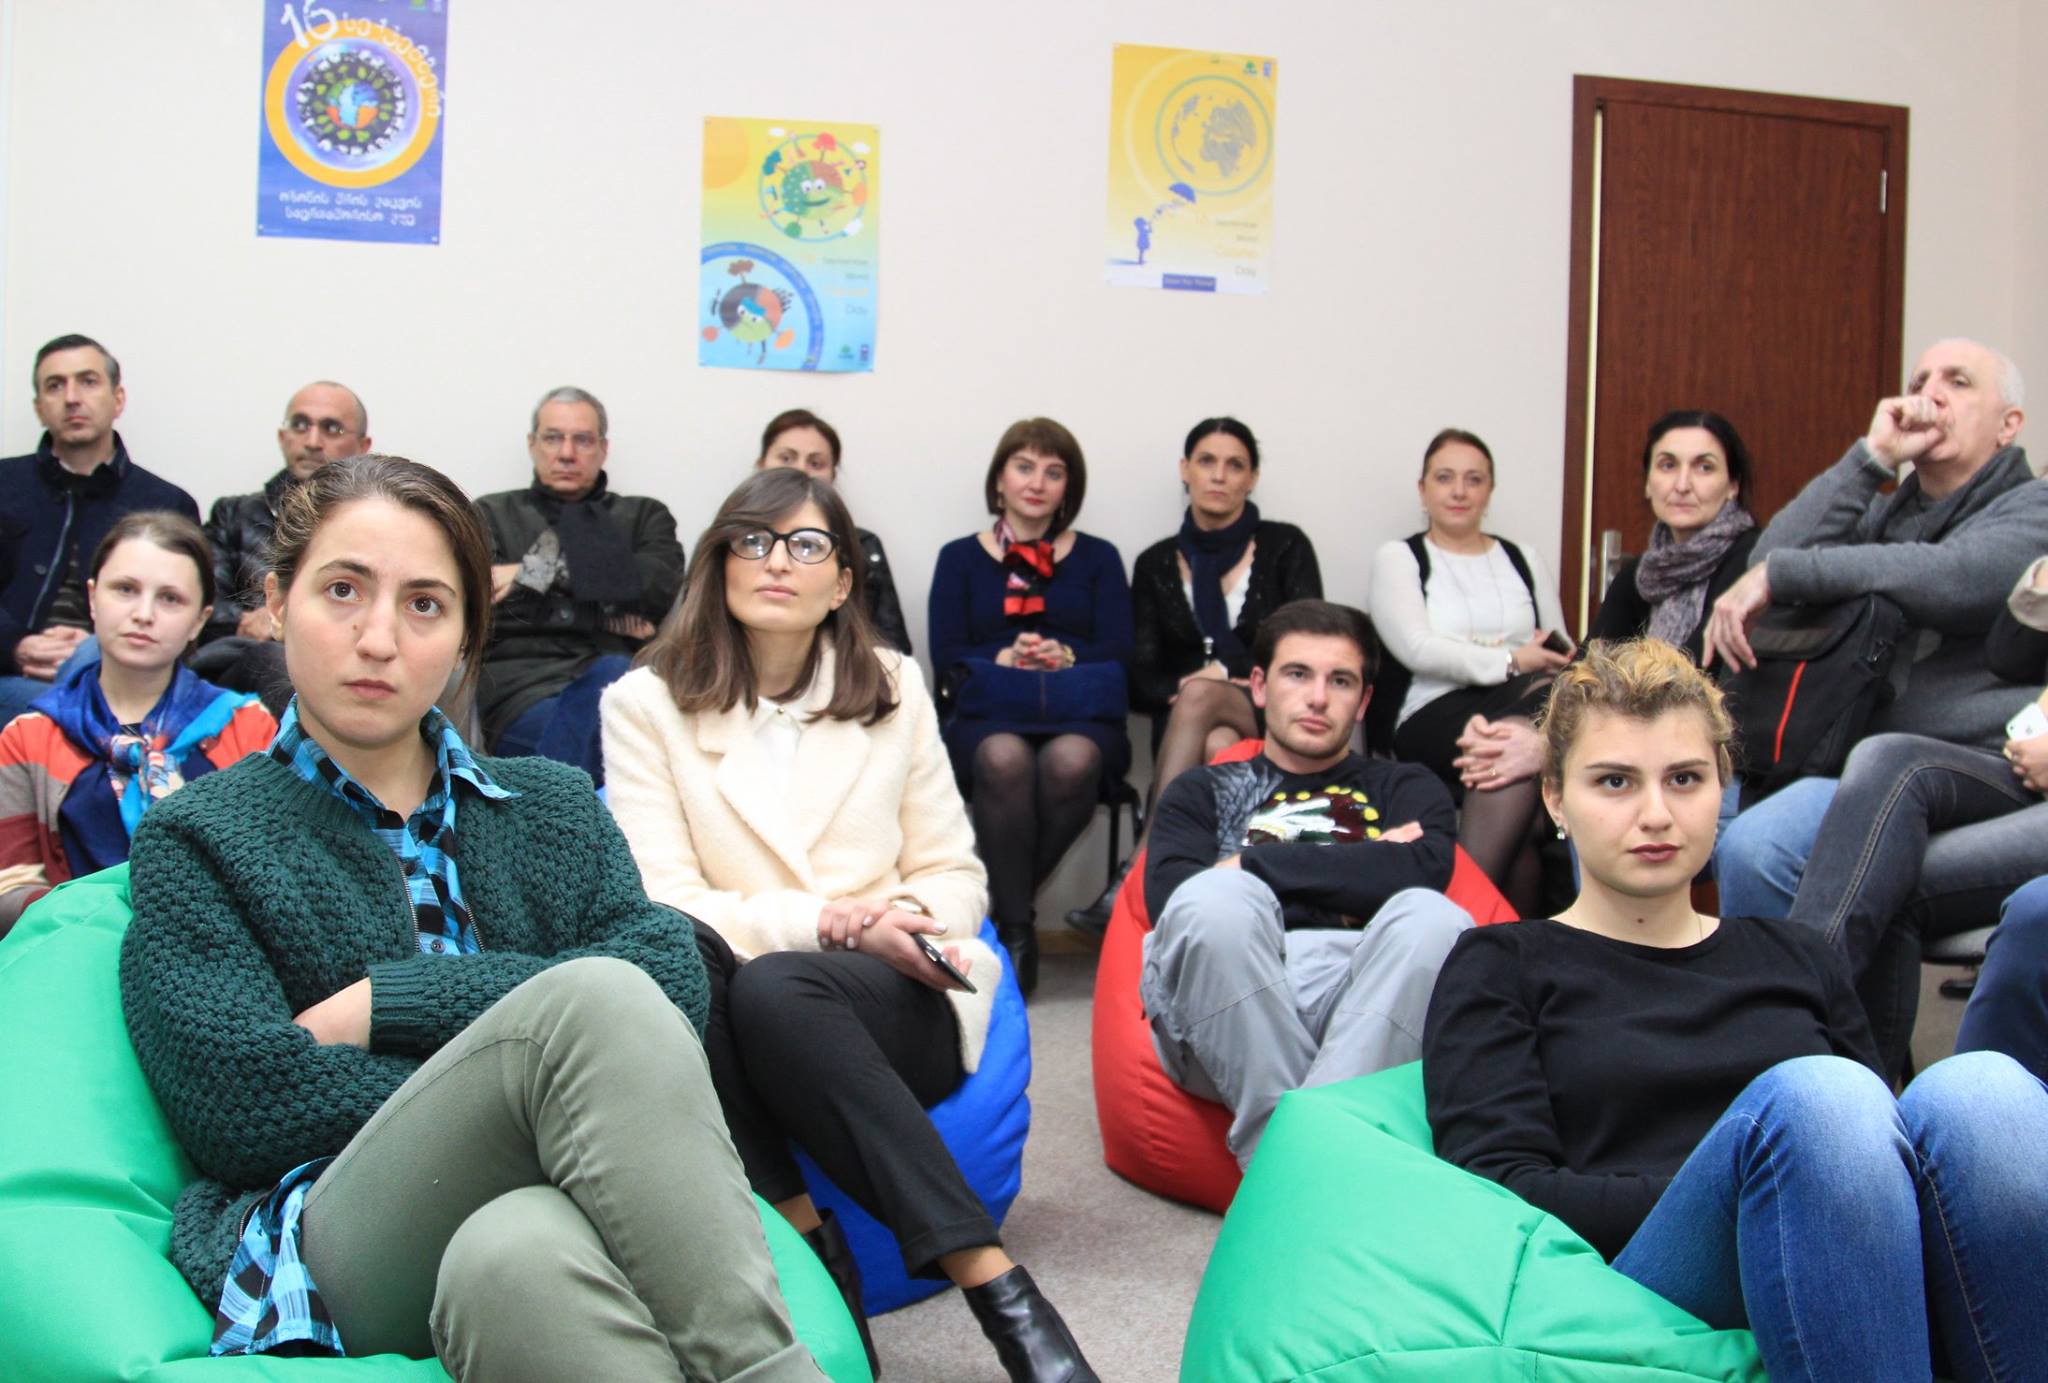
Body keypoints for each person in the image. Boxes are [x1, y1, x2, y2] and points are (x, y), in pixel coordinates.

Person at [119, 454, 824, 1380]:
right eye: (342, 590)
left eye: (425, 604)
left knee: (517, 1254)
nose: (379, 638)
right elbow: (241, 1105)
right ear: (279, 602)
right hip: (339, 1236)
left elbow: (671, 977)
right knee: (597, 1001)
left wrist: (389, 1002)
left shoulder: (552, 803)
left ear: (463, 638)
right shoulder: (198, 835)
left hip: (542, 1206)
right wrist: (540, 1089)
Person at [1424, 637, 2048, 1382]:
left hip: (1838, 1247)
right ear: (1556, 798)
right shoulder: (1500, 963)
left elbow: (1880, 1149)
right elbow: (1500, 1189)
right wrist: (1768, 1182)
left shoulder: (1798, 953)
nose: (1656, 813)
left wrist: (1812, 1182)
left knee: (1984, 1086)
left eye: (1685, 778)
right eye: (1615, 781)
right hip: (1646, 1272)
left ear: (1722, 787)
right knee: (1819, 1100)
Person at [602, 467, 1097, 1383]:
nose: (775, 562)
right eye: (753, 540)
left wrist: (899, 925)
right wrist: (831, 921)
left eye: (806, 545)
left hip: (892, 996)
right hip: (736, 997)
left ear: (840, 583)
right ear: (719, 563)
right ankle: (984, 1289)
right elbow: (659, 900)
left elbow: (955, 872)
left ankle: (888, 1271)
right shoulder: (644, 703)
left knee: (778, 987)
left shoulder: (895, 685)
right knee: (703, 964)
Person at [1706, 340, 2042, 923]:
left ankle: (1788, 985)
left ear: (2008, 424)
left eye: (1958, 382)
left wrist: (1787, 574)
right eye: (1919, 382)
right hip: (1833, 756)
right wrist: (1872, 457)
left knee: (1757, 849)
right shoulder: (1886, 516)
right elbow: (1771, 556)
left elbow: (1956, 577)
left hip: (1967, 765)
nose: (1930, 395)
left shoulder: (2035, 505)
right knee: (1629, 811)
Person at [1140, 598, 1470, 1166]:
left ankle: (1289, 1168)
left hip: (1365, 992)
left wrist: (1252, 865)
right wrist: (1359, 871)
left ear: (1363, 701)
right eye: (1298, 674)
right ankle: (1325, 1159)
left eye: (1340, 681)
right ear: (1260, 686)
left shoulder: (1407, 786)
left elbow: (1423, 871)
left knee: (1435, 918)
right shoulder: (1200, 791)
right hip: (1228, 993)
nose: (1318, 698)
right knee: (1215, 900)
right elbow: (1173, 904)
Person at [1772, 553, 2048, 1076]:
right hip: (2028, 766)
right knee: (1889, 758)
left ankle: (1792, 1031)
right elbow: (2009, 656)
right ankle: (1813, 1037)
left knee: (1894, 881)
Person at [1449, 410, 1759, 850]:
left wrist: (1546, 745)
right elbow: (1586, 668)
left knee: (1539, 778)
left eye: (1703, 467)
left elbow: (1690, 681)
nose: (1682, 483)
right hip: (1627, 741)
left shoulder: (1751, 562)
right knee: (1507, 760)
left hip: (1702, 753)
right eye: (1667, 465)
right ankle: (1480, 896)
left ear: (1732, 486)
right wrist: (1500, 732)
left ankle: (1466, 894)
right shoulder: (1642, 573)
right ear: (1648, 482)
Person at [1067, 417, 1321, 934]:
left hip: (1276, 710)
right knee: (1218, 741)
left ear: (1252, 478)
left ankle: (1142, 865)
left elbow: (1308, 647)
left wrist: (1223, 675)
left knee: (1206, 695)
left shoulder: (1285, 546)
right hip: (1185, 728)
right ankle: (1217, 910)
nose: (1219, 476)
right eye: (1207, 461)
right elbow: (1140, 679)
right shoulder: (1155, 562)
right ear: (1185, 470)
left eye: (1235, 465)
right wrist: (1186, 689)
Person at [929, 418, 1133, 995]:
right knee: (1003, 758)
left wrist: (1064, 654)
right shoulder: (958, 557)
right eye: (1024, 467)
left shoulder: (1099, 557)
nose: (1037, 482)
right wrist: (1003, 656)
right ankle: (1018, 929)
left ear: (1069, 487)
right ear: (999, 480)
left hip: (1079, 714)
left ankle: (998, 914)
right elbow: (945, 655)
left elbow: (1120, 650)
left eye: (1053, 471)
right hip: (988, 715)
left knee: (1072, 762)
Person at [0, 512, 274, 934]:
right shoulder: (29, 736)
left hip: (218, 950)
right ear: (93, 598)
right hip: (73, 946)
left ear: (199, 621)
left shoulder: (247, 726)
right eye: (125, 589)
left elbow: (273, 870)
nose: (144, 614)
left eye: (170, 599)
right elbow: (10, 887)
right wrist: (113, 916)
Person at [1367, 428, 1570, 914]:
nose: (1459, 491)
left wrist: (1541, 658)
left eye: (1474, 479)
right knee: (1517, 737)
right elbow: (1418, 649)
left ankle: (1466, 927)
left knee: (1518, 754)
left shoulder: (1522, 558)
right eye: (1445, 478)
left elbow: (1559, 646)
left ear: (1489, 490)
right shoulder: (1400, 557)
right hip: (1430, 714)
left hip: (1517, 706)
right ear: (1423, 490)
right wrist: (1512, 660)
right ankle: (1471, 921)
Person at [474, 386, 686, 780]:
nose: (567, 453)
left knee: (613, 681)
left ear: (603, 448)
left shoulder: (643, 516)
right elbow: (483, 608)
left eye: (583, 440)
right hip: (523, 690)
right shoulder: (491, 513)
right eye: (553, 438)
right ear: (532, 444)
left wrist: (531, 573)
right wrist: (607, 610)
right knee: (611, 724)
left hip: (619, 683)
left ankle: (546, 808)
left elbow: (654, 585)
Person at [0, 334, 198, 723]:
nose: (72, 398)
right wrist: (16, 645)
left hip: (119, 675)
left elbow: (181, 613)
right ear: (39, 408)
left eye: (88, 381)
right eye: (55, 386)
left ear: (117, 399)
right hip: (9, 675)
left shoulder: (166, 503)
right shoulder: (5, 484)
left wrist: (99, 646)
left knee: (95, 666)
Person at [192, 380, 374, 710]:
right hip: (242, 669)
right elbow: (200, 609)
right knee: (275, 660)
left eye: (332, 429)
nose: (313, 441)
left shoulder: (377, 528)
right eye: (300, 425)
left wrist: (290, 617)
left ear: (363, 446)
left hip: (345, 660)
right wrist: (254, 621)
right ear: (283, 436)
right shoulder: (233, 515)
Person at [755, 407, 913, 653]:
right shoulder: (730, 538)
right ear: (761, 465)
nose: (800, 470)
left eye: (816, 463)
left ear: (832, 475)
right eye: (786, 458)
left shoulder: (862, 546)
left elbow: (892, 647)